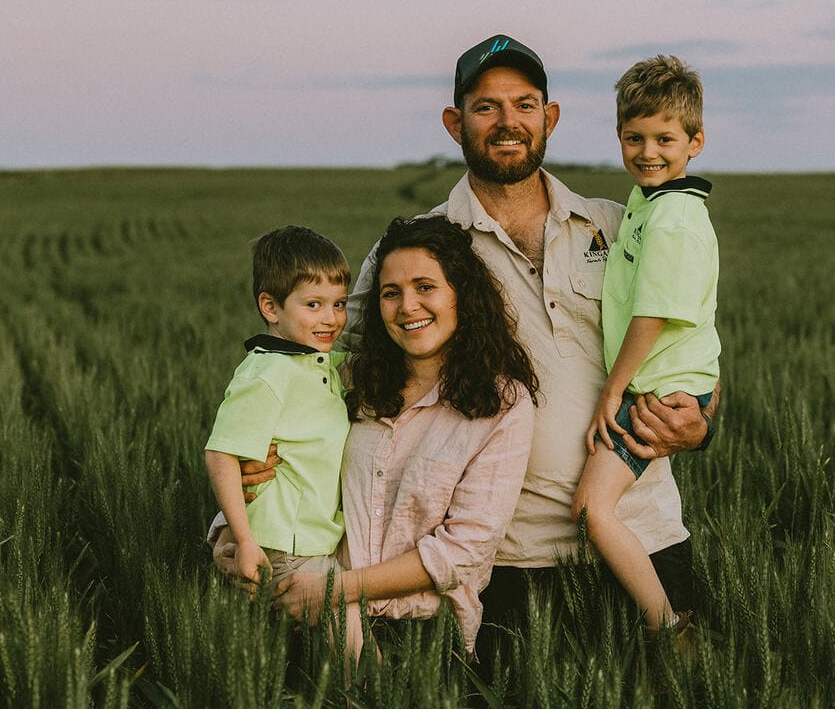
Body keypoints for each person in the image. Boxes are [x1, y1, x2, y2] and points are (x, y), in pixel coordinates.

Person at [228, 33, 717, 649]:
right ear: (454, 122)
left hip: (640, 538)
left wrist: (700, 419)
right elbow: (323, 361)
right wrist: (262, 451)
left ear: (551, 117)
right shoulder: (419, 251)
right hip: (503, 564)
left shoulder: (620, 224)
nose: (508, 121)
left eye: (525, 103)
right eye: (486, 107)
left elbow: (687, 330)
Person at [265, 215, 540, 657]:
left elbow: (462, 549)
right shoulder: (344, 380)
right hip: (315, 620)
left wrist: (337, 589)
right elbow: (274, 463)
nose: (407, 306)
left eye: (425, 287)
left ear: (461, 296)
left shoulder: (502, 403)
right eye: (391, 293)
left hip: (423, 640)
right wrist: (230, 535)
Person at [572, 55, 719, 635]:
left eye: (665, 138)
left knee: (590, 509)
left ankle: (667, 626)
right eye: (634, 138)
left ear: (696, 141)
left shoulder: (674, 218)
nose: (647, 151)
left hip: (655, 394)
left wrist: (613, 390)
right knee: (595, 508)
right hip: (662, 383)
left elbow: (652, 314)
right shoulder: (649, 204)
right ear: (618, 137)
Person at [204, 225, 351, 588]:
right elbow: (221, 454)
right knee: (355, 645)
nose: (330, 318)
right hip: (282, 547)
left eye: (339, 304)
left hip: (313, 542)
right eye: (313, 304)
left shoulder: (314, 361)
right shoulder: (267, 373)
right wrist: (244, 540)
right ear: (270, 307)